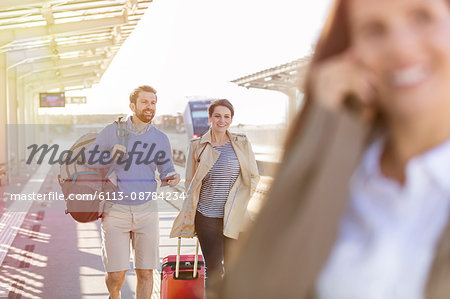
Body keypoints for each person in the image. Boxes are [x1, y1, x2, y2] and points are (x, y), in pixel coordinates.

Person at [223, 0, 450, 298]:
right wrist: (329, 122)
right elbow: (251, 288)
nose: (401, 47)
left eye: (422, 17)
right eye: (373, 29)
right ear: (351, 53)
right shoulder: (338, 166)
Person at [88, 85, 180, 299]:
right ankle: (114, 295)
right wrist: (111, 156)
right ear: (132, 105)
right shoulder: (112, 131)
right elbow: (90, 160)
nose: (150, 107)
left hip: (147, 210)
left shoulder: (160, 138)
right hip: (116, 210)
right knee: (116, 274)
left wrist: (172, 176)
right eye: (145, 102)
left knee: (146, 271)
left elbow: (166, 169)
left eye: (153, 102)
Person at [170, 99, 260, 297]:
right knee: (214, 270)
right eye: (217, 116)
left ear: (231, 119)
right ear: (210, 118)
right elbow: (190, 182)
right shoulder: (197, 146)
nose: (222, 120)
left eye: (227, 116)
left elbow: (253, 176)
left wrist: (242, 200)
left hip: (235, 217)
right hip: (207, 217)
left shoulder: (242, 143)